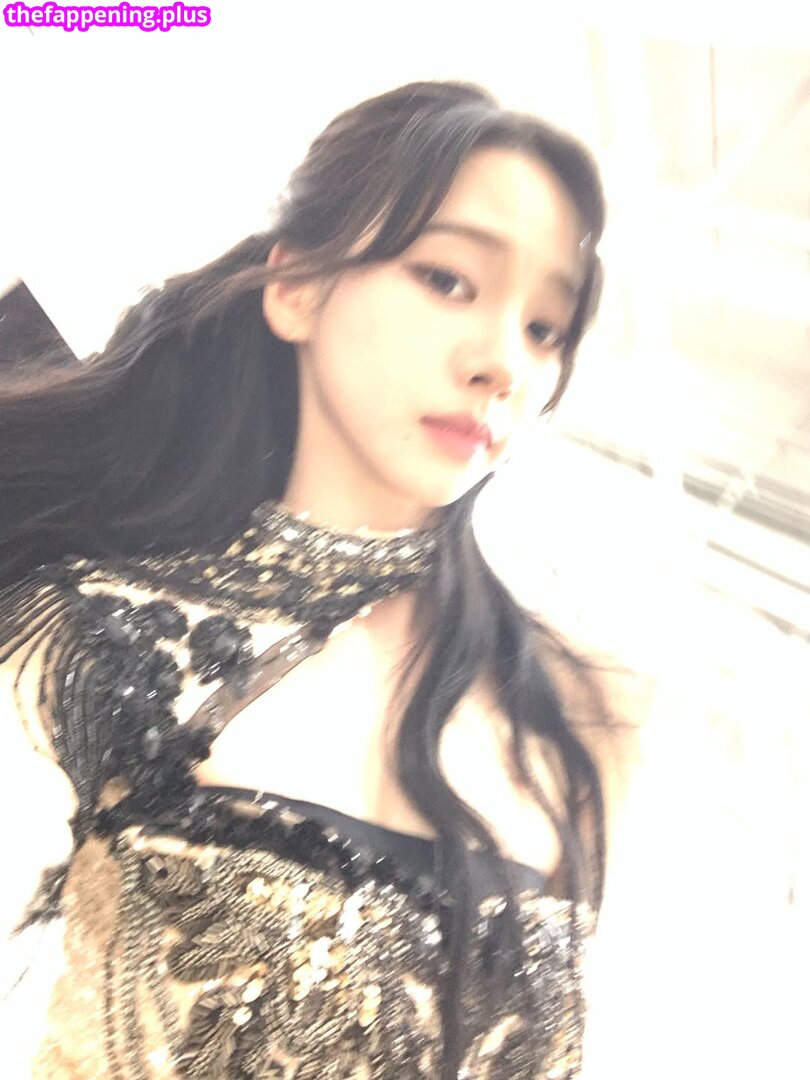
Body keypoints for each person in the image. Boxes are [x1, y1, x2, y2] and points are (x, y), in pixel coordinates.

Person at [0, 80, 619, 1079]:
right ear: (296, 288)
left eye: (546, 328)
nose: (504, 361)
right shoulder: (85, 637)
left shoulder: (581, 714)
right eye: (448, 278)